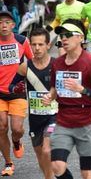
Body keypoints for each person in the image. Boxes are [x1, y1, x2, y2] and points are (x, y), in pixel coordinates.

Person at [42, 19, 91, 179]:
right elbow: (54, 87)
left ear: (80, 37)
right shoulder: (57, 63)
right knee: (57, 166)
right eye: (61, 35)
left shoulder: (90, 63)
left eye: (68, 35)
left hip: (86, 122)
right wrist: (50, 96)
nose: (63, 39)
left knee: (86, 173)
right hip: (63, 121)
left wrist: (83, 90)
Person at [17, 28, 56, 179]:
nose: (37, 48)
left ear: (48, 45)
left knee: (47, 150)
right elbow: (13, 86)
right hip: (35, 118)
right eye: (34, 45)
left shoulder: (56, 65)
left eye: (41, 44)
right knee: (40, 154)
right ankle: (49, 176)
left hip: (54, 116)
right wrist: (16, 87)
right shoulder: (25, 67)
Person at [0, 11, 33, 176]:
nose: (3, 25)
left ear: (13, 25)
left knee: (17, 128)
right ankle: (8, 163)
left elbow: (33, 62)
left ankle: (16, 141)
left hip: (17, 91)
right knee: (1, 126)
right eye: (0, 22)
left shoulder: (22, 41)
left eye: (7, 22)